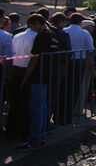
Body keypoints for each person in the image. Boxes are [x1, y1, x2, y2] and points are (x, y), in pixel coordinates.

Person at [17, 14, 62, 149]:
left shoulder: (42, 36)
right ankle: (40, 135)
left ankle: (35, 138)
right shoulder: (53, 35)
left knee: (36, 107)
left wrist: (26, 77)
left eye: (32, 26)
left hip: (39, 75)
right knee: (41, 106)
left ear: (37, 23)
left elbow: (34, 58)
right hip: (49, 74)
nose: (31, 29)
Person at [65, 13, 94, 120]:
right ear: (80, 22)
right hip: (79, 62)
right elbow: (90, 52)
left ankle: (63, 111)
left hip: (66, 61)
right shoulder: (84, 34)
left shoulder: (64, 31)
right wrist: (91, 67)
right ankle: (72, 111)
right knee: (76, 87)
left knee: (65, 87)